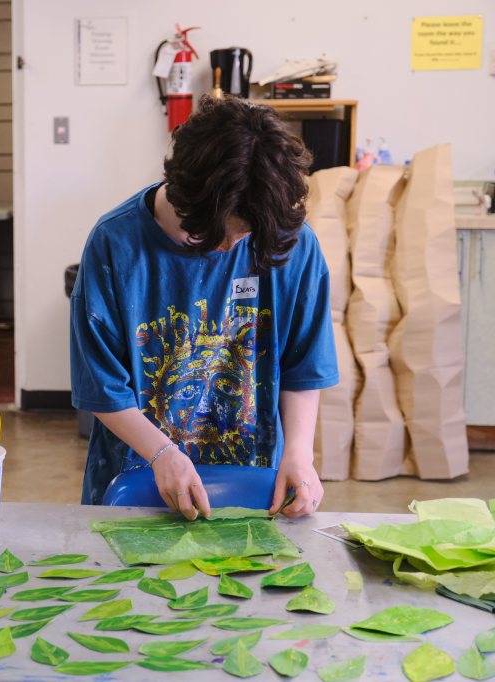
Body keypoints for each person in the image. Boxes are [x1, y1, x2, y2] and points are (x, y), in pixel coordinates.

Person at [70, 96, 337, 520]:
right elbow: (102, 387)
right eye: (213, 234)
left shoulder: (290, 242)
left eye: (242, 234)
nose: (229, 248)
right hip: (137, 469)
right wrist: (161, 453)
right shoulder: (114, 245)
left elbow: (305, 365)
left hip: (255, 474)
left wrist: (300, 454)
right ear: (182, 193)